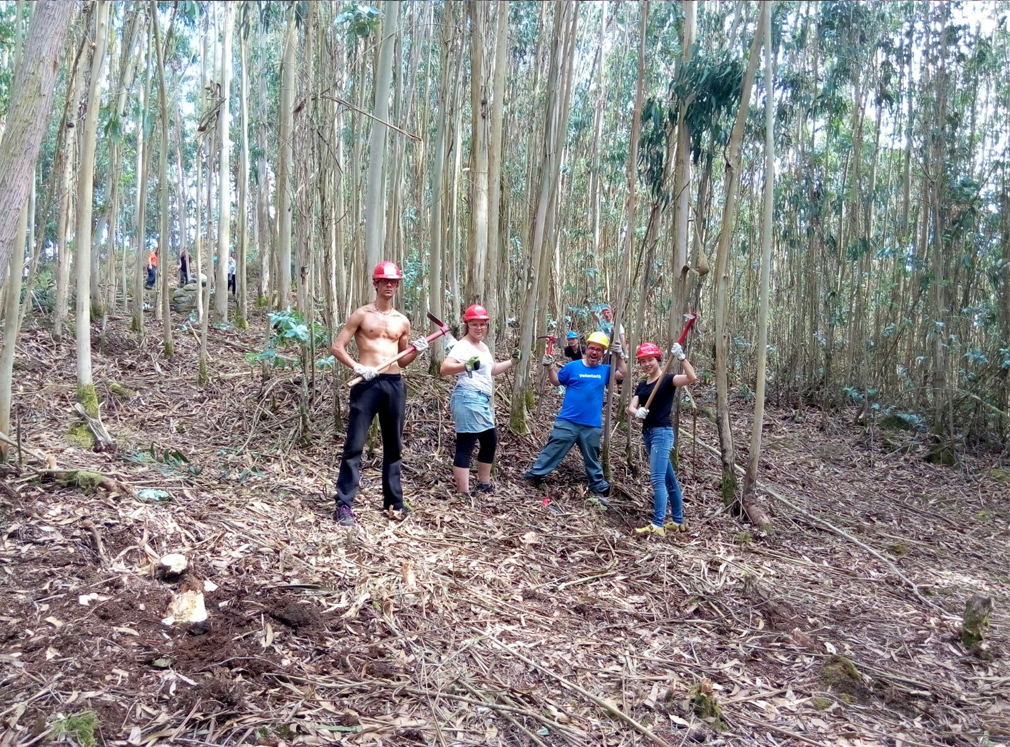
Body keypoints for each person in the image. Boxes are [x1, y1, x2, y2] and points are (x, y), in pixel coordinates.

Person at [330, 261, 431, 527]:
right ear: (375, 283)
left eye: (393, 282)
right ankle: (344, 503)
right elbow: (337, 347)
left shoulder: (402, 321)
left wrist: (417, 351)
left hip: (394, 384)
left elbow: (403, 359)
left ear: (397, 286)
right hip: (366, 383)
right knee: (354, 444)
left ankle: (393, 502)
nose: (389, 285)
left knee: (394, 446)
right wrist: (358, 367)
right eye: (384, 281)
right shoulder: (362, 315)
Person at [524, 331, 627, 498]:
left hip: (591, 424)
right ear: (586, 350)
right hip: (568, 420)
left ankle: (598, 485)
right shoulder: (573, 367)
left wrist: (619, 355)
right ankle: (534, 475)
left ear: (602, 354)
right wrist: (550, 367)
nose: (594, 352)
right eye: (592, 348)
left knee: (592, 456)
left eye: (599, 350)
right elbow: (556, 381)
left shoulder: (605, 370)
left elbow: (623, 373)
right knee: (553, 449)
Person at [439, 304, 520, 496]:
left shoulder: (483, 347)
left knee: (489, 441)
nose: (479, 328)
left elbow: (490, 371)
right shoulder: (463, 345)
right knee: (466, 444)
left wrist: (512, 362)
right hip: (467, 396)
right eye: (474, 324)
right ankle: (464, 492)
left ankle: (484, 483)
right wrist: (466, 365)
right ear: (467, 325)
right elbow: (444, 368)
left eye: (482, 324)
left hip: (481, 399)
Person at [627, 340, 698, 536]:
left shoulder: (667, 379)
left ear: (658, 360)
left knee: (657, 479)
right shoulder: (642, 385)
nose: (647, 364)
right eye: (643, 361)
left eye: (650, 360)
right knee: (669, 480)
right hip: (648, 434)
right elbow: (630, 407)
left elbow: (692, 377)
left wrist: (682, 358)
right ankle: (678, 521)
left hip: (662, 433)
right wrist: (637, 412)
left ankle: (658, 524)